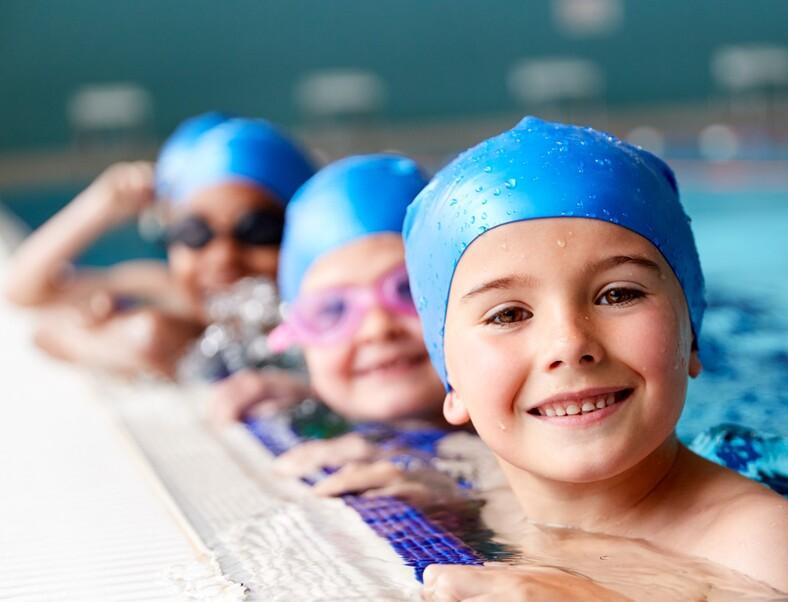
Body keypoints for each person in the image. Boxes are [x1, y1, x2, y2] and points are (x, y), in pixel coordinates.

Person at [402, 117, 788, 602]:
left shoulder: (760, 545)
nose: (570, 344)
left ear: (691, 337)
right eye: (509, 314)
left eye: (618, 294)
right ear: (451, 382)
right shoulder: (490, 487)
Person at [212, 154, 466, 500]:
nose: (377, 328)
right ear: (297, 336)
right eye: (332, 310)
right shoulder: (311, 413)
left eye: (409, 290)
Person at [3, 114, 315, 376]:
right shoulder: (164, 287)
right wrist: (104, 203)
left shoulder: (315, 322)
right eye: (195, 233)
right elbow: (23, 290)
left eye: (258, 231)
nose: (223, 257)